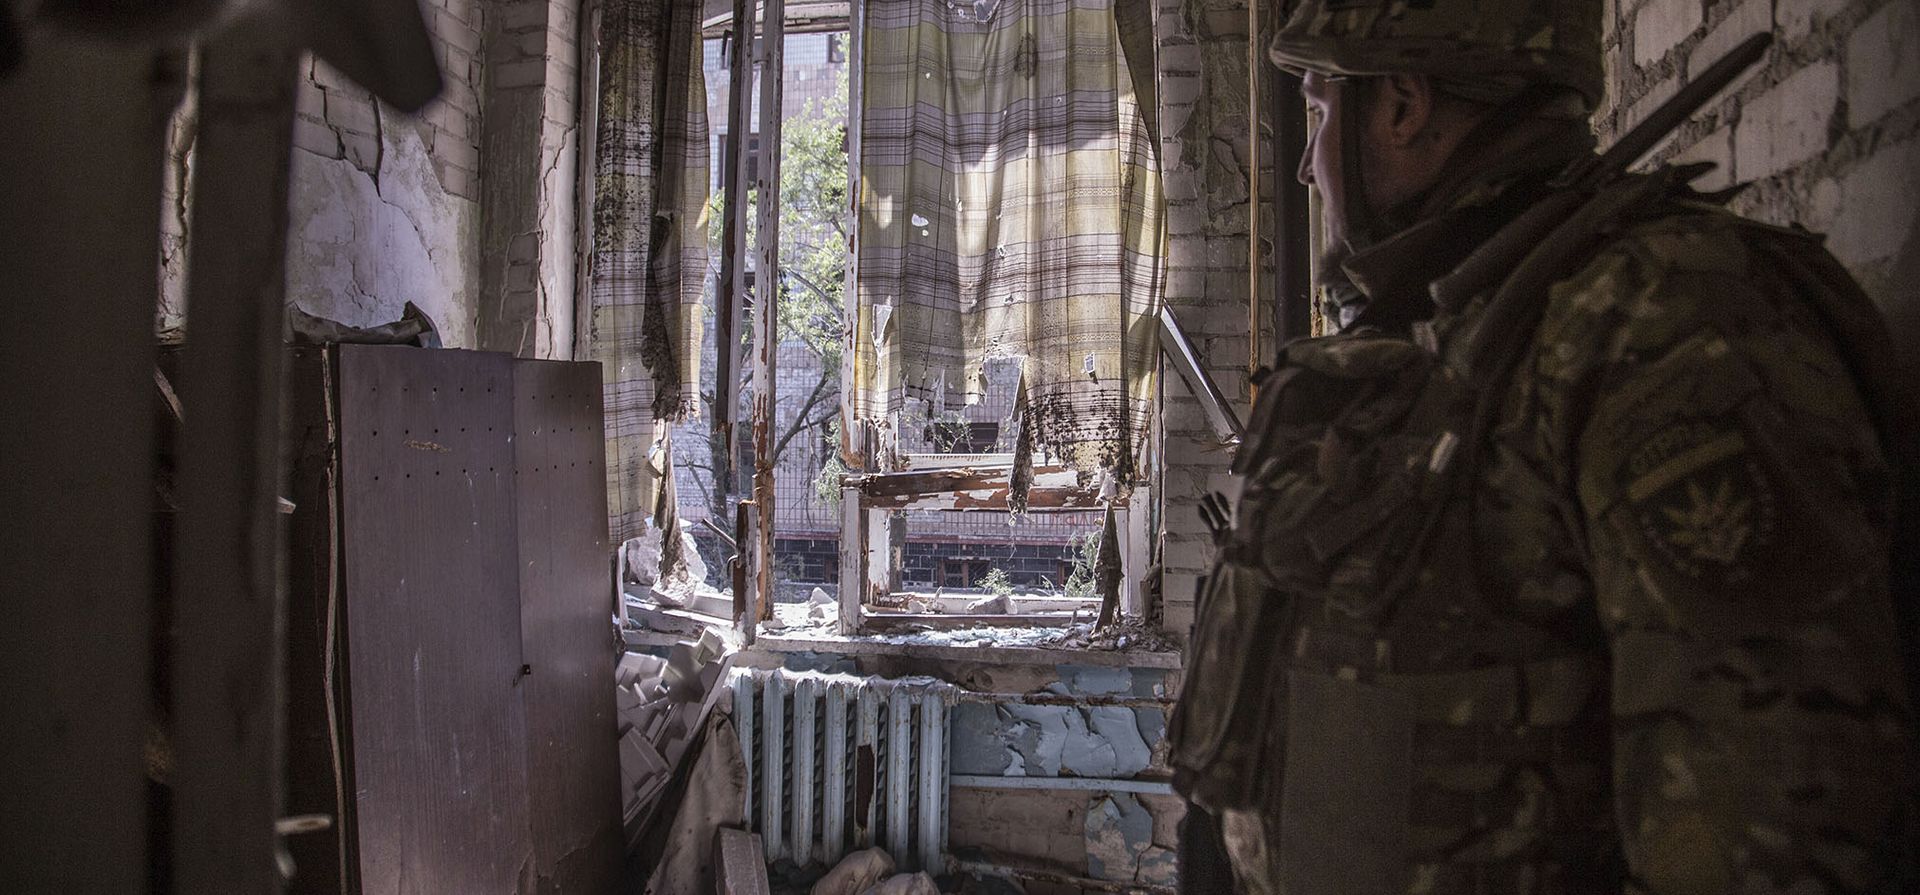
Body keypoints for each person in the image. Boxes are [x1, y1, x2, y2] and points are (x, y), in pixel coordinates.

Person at [1166, 0, 1919, 892]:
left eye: (1322, 111)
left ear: (1403, 106)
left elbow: (1775, 828)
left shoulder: (1657, 323)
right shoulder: (1466, 325)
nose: (1306, 160)